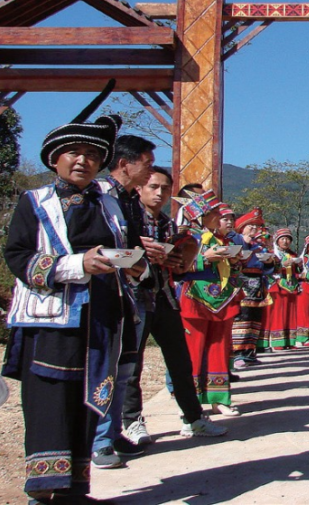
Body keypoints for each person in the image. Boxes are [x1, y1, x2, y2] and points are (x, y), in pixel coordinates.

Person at [2, 111, 131, 503]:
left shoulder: (109, 205)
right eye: (73, 152)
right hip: (52, 320)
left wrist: (136, 264)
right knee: (50, 402)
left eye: (92, 155)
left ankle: (76, 489)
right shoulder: (34, 202)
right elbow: (18, 256)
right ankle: (43, 492)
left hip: (100, 318)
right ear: (54, 158)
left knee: (88, 399)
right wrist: (77, 265)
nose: (82, 160)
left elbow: (122, 250)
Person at [118, 167, 227, 448]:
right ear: (139, 188)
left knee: (180, 360)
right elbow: (116, 256)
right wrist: (141, 254)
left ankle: (193, 417)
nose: (159, 193)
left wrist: (179, 260)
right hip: (134, 296)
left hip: (165, 296)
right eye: (153, 187)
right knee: (132, 362)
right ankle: (132, 420)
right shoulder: (126, 220)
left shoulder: (168, 224)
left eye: (165, 188)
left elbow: (179, 268)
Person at [91, 135, 157, 466]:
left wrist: (143, 255)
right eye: (146, 164)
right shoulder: (99, 197)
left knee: (126, 366)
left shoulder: (129, 200)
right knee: (103, 367)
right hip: (101, 293)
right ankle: (99, 439)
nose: (150, 171)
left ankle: (115, 430)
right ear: (124, 164)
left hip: (129, 294)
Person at [175, 189, 243, 416]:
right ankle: (190, 404)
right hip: (195, 297)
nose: (219, 216)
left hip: (222, 299)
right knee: (193, 351)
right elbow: (177, 266)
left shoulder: (222, 239)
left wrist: (234, 261)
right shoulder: (186, 237)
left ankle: (219, 398)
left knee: (219, 348)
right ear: (199, 216)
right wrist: (204, 259)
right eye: (214, 212)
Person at [231, 208, 274, 369]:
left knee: (255, 319)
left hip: (257, 286)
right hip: (242, 284)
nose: (254, 229)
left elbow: (270, 266)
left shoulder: (259, 246)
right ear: (242, 227)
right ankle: (237, 354)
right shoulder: (235, 241)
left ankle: (250, 352)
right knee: (242, 319)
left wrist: (269, 261)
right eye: (251, 226)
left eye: (257, 226)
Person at [263, 228, 301, 351]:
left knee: (291, 313)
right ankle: (278, 341)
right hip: (278, 285)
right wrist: (281, 265)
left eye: (288, 239)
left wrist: (299, 265)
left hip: (291, 286)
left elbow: (298, 272)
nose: (285, 241)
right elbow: (268, 270)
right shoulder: (272, 254)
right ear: (277, 241)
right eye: (283, 239)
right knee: (278, 314)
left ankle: (290, 340)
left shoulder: (293, 254)